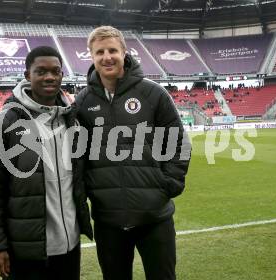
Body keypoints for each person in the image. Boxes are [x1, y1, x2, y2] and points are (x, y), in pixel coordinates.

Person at [75, 26, 191, 280]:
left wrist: (167, 184)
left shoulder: (153, 93)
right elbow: (78, 156)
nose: (107, 57)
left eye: (113, 50)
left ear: (124, 52)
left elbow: (177, 142)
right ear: (91, 56)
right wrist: (88, 192)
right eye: (100, 52)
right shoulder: (82, 102)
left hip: (154, 217)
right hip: (109, 220)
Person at [0, 46, 93, 280]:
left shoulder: (73, 119)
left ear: (62, 75)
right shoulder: (6, 122)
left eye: (55, 71)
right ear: (27, 76)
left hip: (70, 246)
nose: (49, 77)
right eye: (41, 71)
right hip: (25, 250)